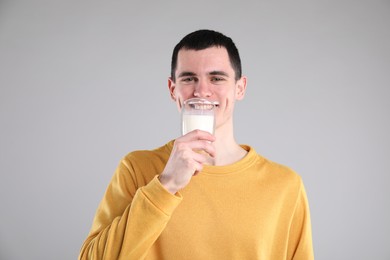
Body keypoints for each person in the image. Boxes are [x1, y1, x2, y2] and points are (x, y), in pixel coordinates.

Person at [79, 29, 314, 260]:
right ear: (173, 90)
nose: (202, 91)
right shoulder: (135, 168)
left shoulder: (286, 185)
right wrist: (165, 185)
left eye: (216, 78)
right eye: (189, 78)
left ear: (240, 88)